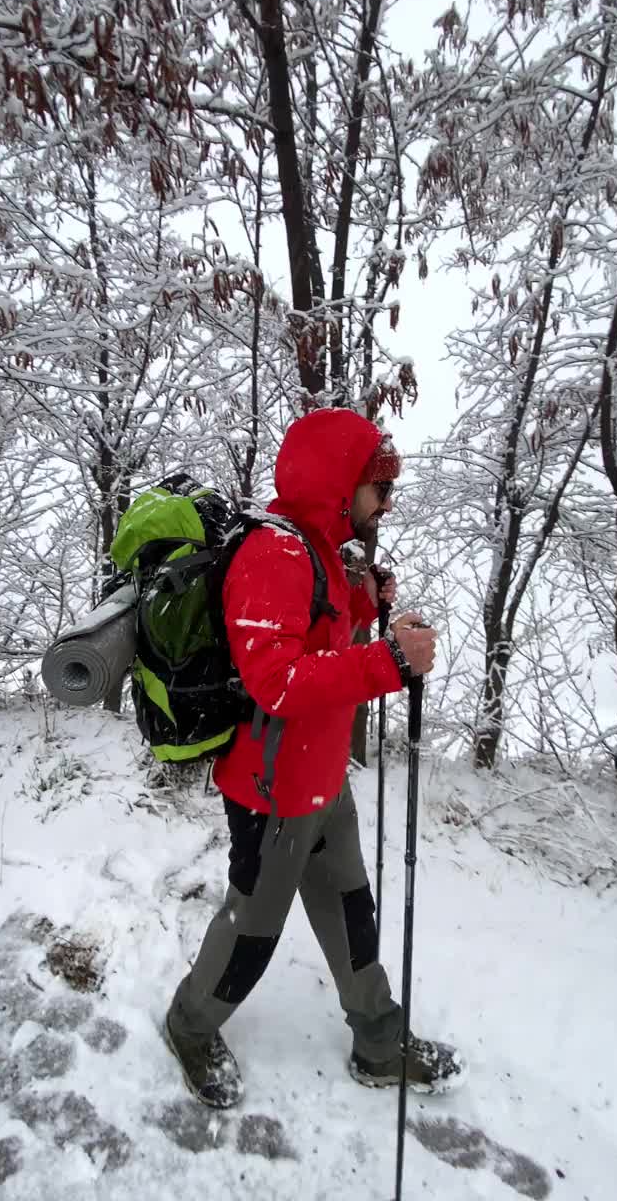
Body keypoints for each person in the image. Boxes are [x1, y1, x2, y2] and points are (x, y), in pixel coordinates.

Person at [165, 408, 465, 1108]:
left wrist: (373, 601)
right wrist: (387, 661)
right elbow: (278, 680)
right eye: (377, 490)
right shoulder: (274, 554)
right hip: (272, 790)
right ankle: (189, 1025)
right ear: (337, 486)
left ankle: (378, 1040)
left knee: (352, 912)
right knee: (252, 934)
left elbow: (327, 626)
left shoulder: (324, 550)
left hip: (324, 778)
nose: (386, 504)